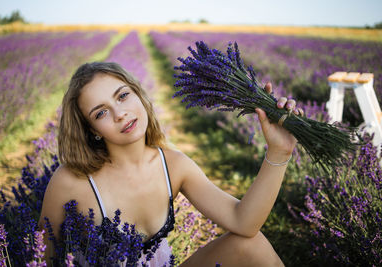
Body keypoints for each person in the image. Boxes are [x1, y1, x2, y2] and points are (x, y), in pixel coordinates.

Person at [38, 61, 304, 266]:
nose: (120, 114)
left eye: (122, 96)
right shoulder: (71, 181)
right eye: (101, 112)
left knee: (252, 244)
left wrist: (279, 151)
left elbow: (243, 221)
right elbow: (41, 258)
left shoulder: (173, 165)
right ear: (92, 129)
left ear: (139, 94)